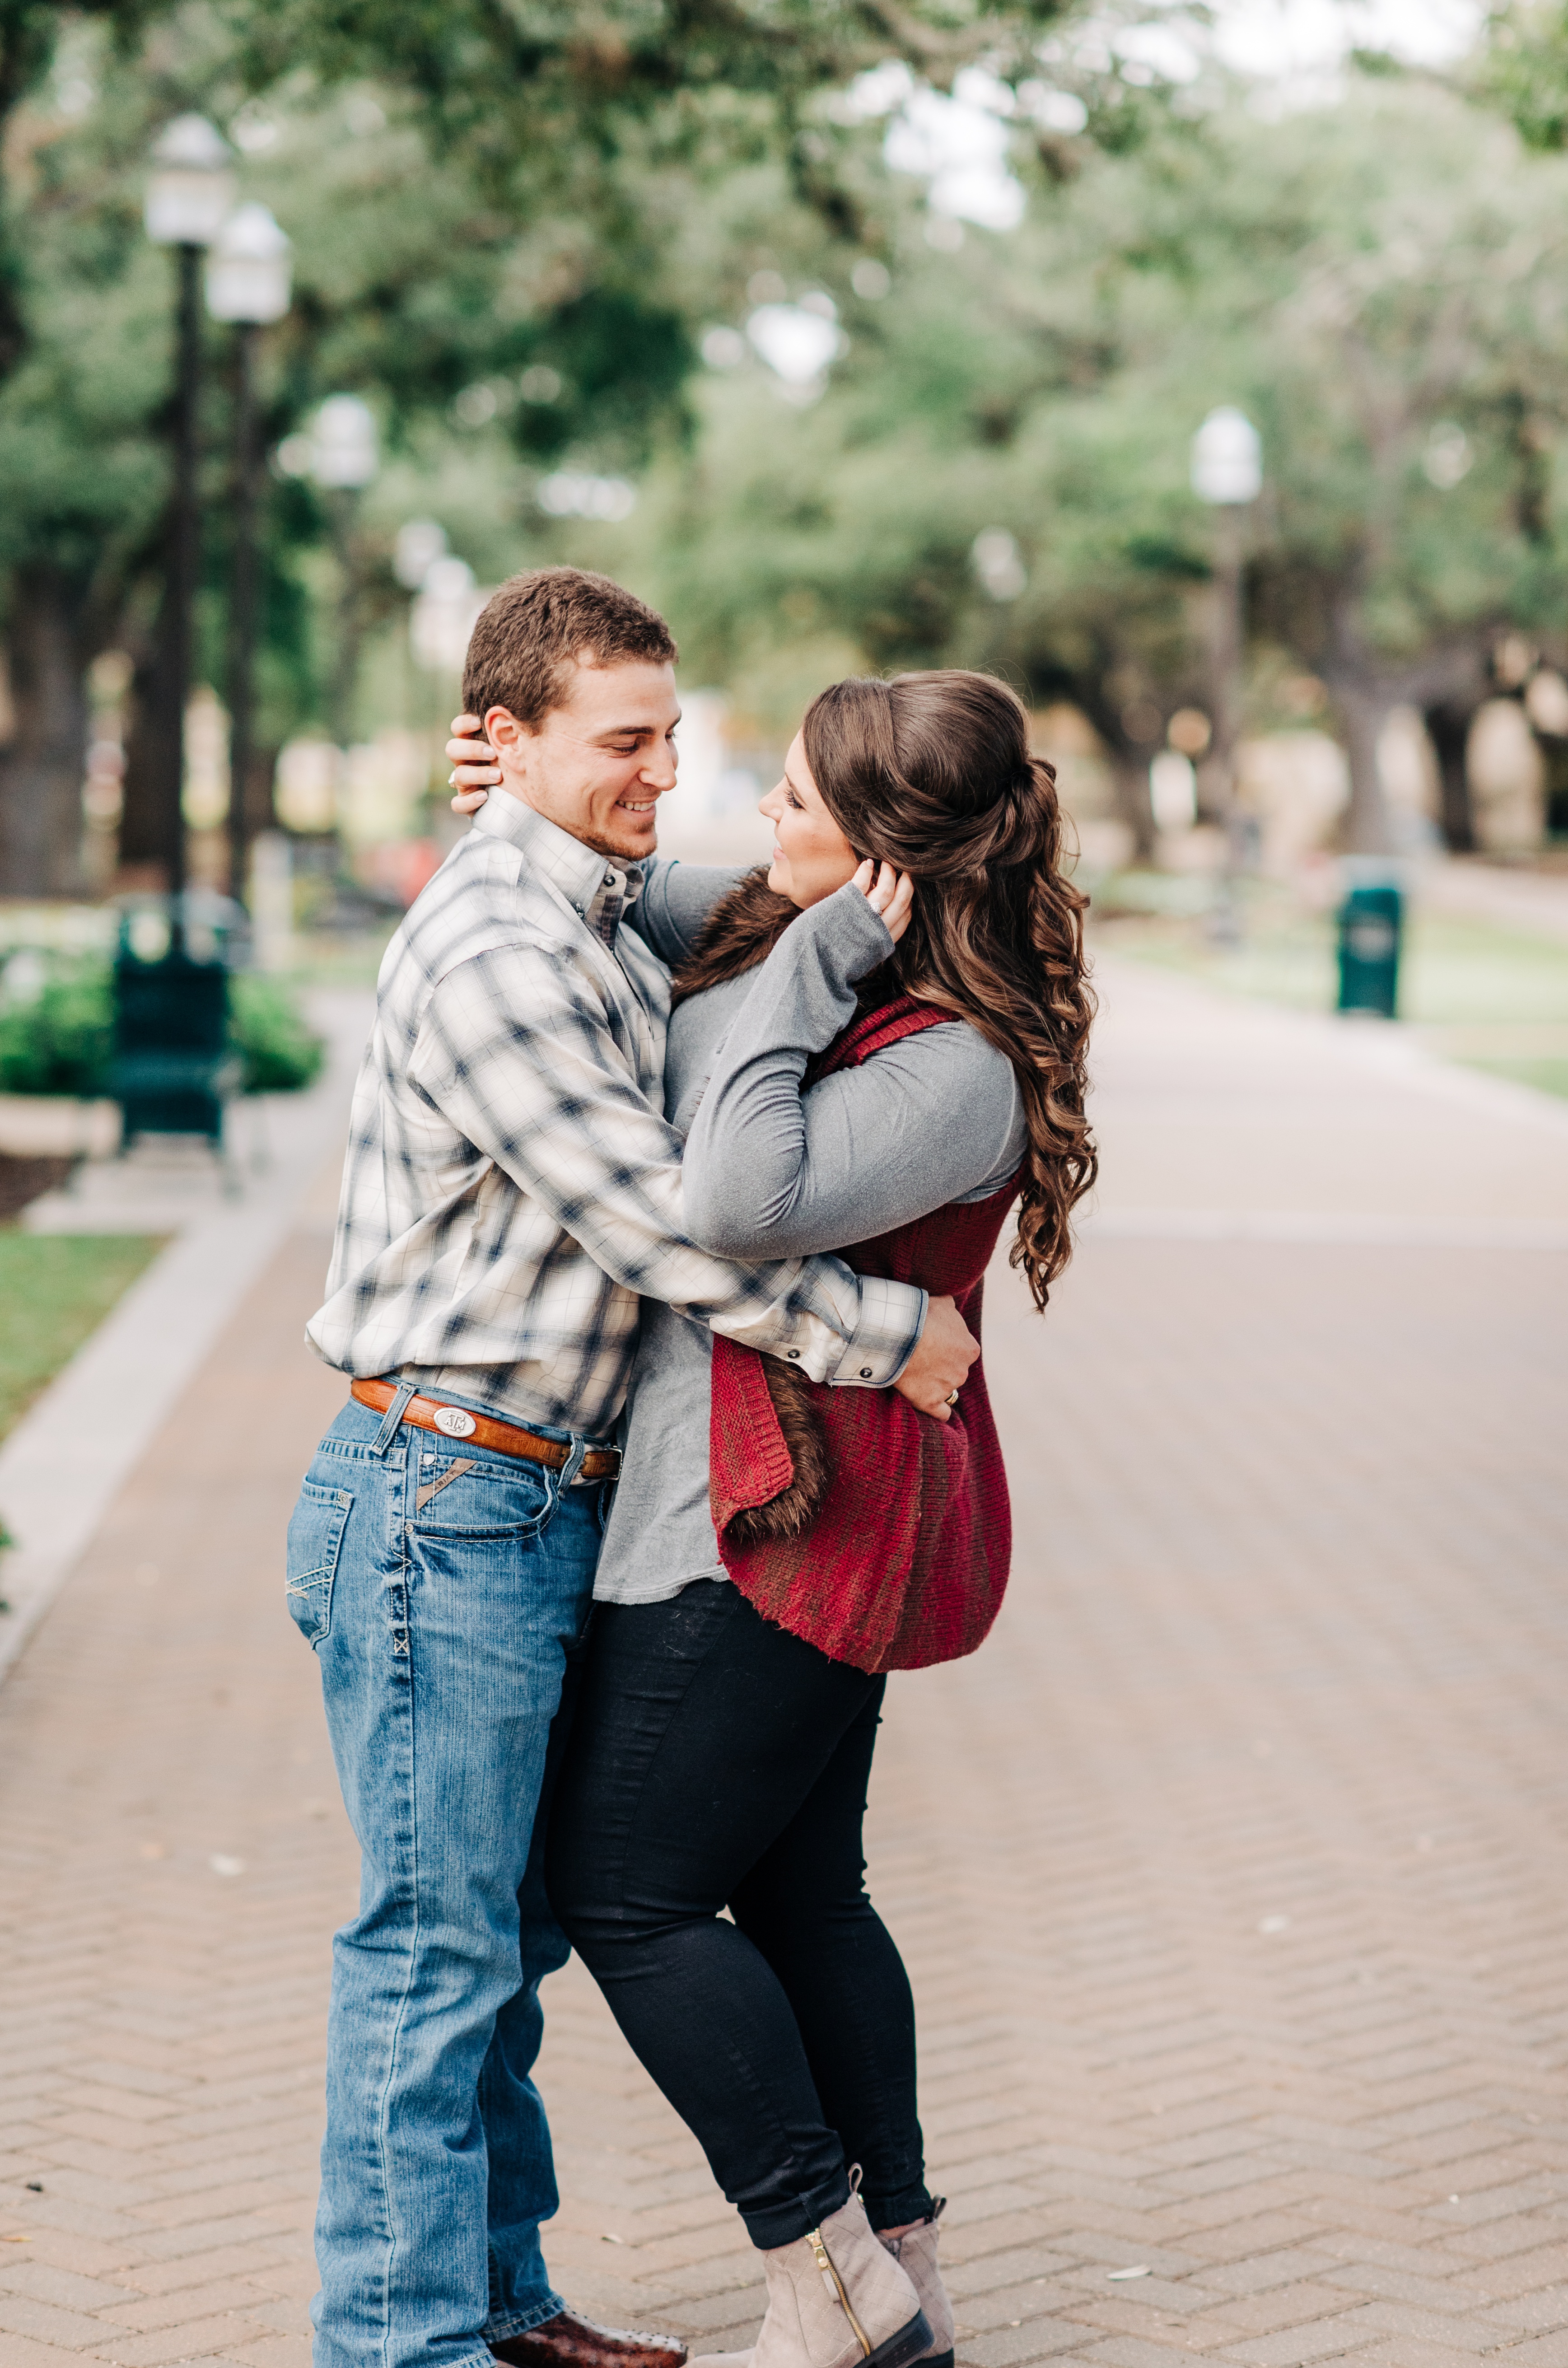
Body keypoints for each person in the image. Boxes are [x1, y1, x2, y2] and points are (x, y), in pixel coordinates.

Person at [289, 570, 977, 2368]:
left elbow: (756, 900)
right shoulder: (507, 949)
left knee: (497, 1950)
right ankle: (399, 2342)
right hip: (437, 1504)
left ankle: (497, 2299)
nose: (664, 776)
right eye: (624, 743)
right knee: (434, 1963)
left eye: (670, 735)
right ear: (507, 739)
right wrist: (885, 1339)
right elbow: (674, 1228)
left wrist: (568, 795)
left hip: (525, 1497)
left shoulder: (591, 894)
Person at [448, 667, 1097, 2368]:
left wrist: (810, 963)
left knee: (630, 1892)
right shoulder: (785, 926)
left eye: (798, 802)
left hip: (794, 1521)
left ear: (885, 858)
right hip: (742, 1495)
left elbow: (739, 1202)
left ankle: (824, 2271)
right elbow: (619, 881)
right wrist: (515, 782)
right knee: (807, 1888)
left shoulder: (948, 1057)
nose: (757, 820)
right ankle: (903, 2272)